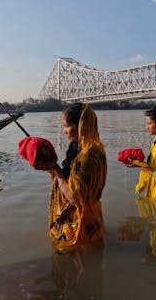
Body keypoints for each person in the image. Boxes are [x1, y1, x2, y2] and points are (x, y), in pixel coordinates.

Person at [48, 103, 107, 251]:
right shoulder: (94, 147)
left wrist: (56, 170)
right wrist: (53, 169)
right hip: (93, 220)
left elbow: (75, 198)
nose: (65, 131)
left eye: (67, 126)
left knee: (73, 266)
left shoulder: (87, 155)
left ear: (81, 125)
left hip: (79, 228)